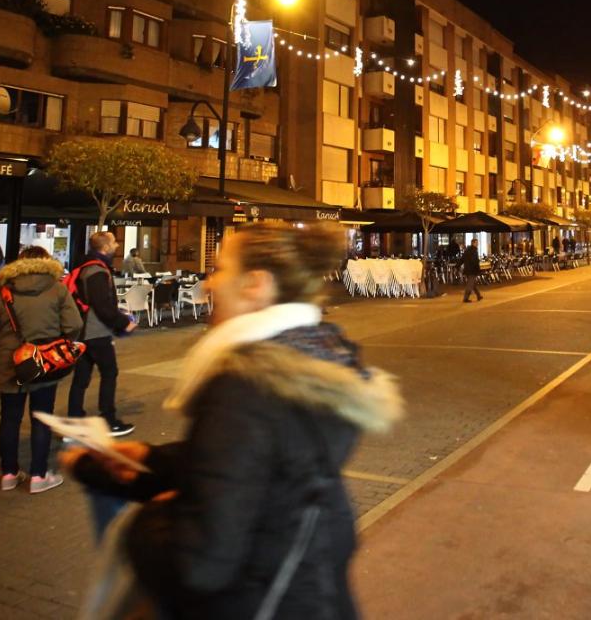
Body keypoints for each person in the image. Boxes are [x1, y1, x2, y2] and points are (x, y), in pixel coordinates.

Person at [63, 221, 403, 619]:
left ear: (254, 284)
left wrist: (149, 516)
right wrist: (150, 464)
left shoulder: (247, 386)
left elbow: (198, 564)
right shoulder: (313, 362)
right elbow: (257, 465)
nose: (209, 284)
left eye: (221, 269)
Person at [0, 246, 84, 493]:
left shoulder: (3, 291)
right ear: (46, 262)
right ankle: (39, 475)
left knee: (9, 418)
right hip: (43, 361)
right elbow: (75, 324)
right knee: (41, 418)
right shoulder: (56, 289)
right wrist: (57, 341)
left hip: (9, 363)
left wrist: (3, 350)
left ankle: (8, 473)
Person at [67, 231, 138, 436]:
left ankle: (74, 420)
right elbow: (101, 304)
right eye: (114, 242)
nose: (116, 245)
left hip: (82, 330)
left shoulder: (84, 267)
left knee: (81, 377)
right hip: (95, 331)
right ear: (105, 247)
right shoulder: (97, 270)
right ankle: (108, 419)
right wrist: (123, 323)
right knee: (109, 373)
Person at [461, 238, 483, 303]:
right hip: (472, 270)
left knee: (473, 284)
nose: (477, 244)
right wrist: (478, 269)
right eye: (476, 243)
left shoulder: (468, 250)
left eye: (477, 242)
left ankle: (478, 295)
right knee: (470, 285)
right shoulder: (473, 251)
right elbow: (474, 261)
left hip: (468, 270)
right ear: (473, 243)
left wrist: (458, 265)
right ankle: (465, 298)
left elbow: (462, 258)